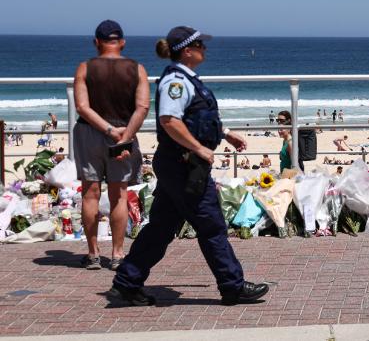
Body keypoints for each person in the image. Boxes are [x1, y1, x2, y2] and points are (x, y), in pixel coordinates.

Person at [110, 25, 268, 306]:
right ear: (187, 51)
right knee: (211, 225)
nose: (204, 49)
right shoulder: (177, 82)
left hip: (179, 164)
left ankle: (127, 281)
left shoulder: (187, 80)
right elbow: (170, 121)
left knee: (161, 227)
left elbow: (194, 118)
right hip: (183, 166)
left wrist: (225, 133)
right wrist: (199, 148)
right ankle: (232, 286)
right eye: (200, 45)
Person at [72, 20, 150, 271]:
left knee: (90, 193)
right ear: (122, 42)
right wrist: (124, 135)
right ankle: (117, 254)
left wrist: (107, 129)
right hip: (124, 134)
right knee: (119, 194)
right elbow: (143, 107)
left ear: (96, 42)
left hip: (89, 132)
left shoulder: (85, 68)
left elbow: (82, 107)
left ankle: (93, 253)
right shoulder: (137, 69)